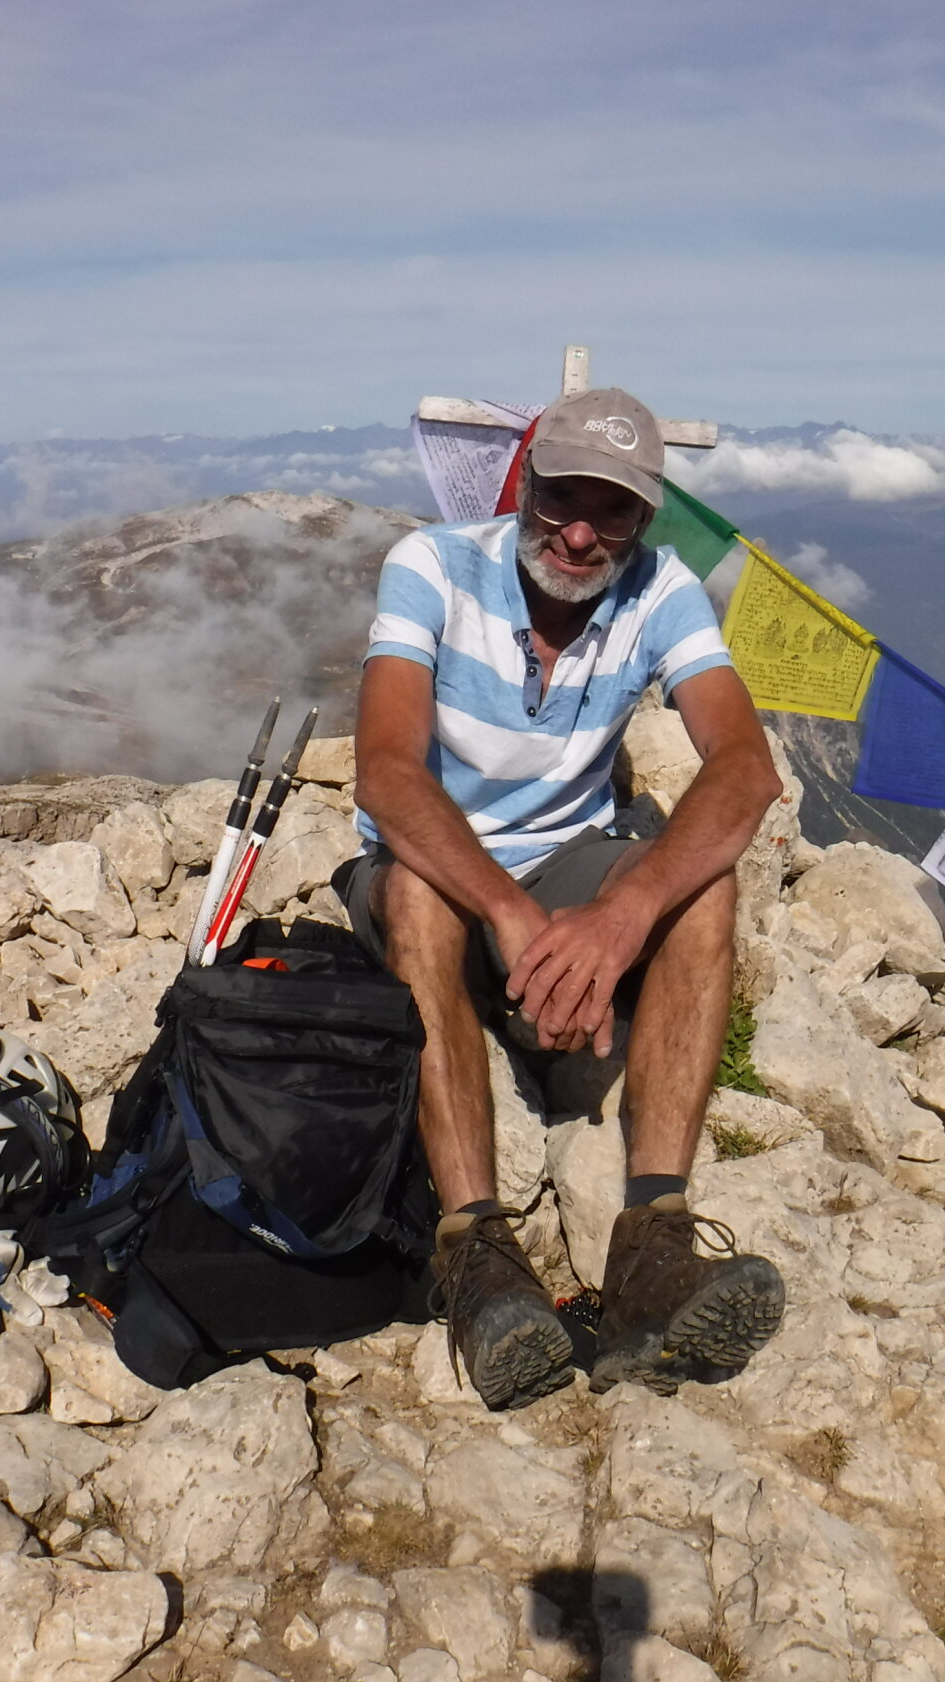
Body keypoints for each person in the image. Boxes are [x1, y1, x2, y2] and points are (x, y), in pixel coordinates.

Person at [337, 386, 787, 1409]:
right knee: (422, 899)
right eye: (560, 498)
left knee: (702, 889)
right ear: (525, 482)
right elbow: (389, 775)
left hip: (569, 862)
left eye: (613, 510)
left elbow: (745, 770)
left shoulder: (662, 590)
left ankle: (653, 1247)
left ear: (646, 518)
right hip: (432, 870)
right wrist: (510, 910)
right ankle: (477, 1258)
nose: (580, 534)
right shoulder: (432, 565)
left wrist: (624, 913)